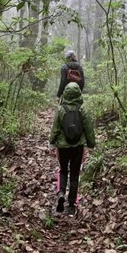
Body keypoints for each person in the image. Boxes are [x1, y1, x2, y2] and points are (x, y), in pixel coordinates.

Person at [49, 82, 95, 216]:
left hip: (62, 147)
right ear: (79, 94)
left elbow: (55, 128)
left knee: (63, 170)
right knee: (75, 174)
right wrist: (91, 144)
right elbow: (89, 129)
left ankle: (61, 192)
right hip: (78, 147)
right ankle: (71, 205)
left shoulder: (60, 109)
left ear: (65, 93)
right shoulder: (83, 109)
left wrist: (52, 142)